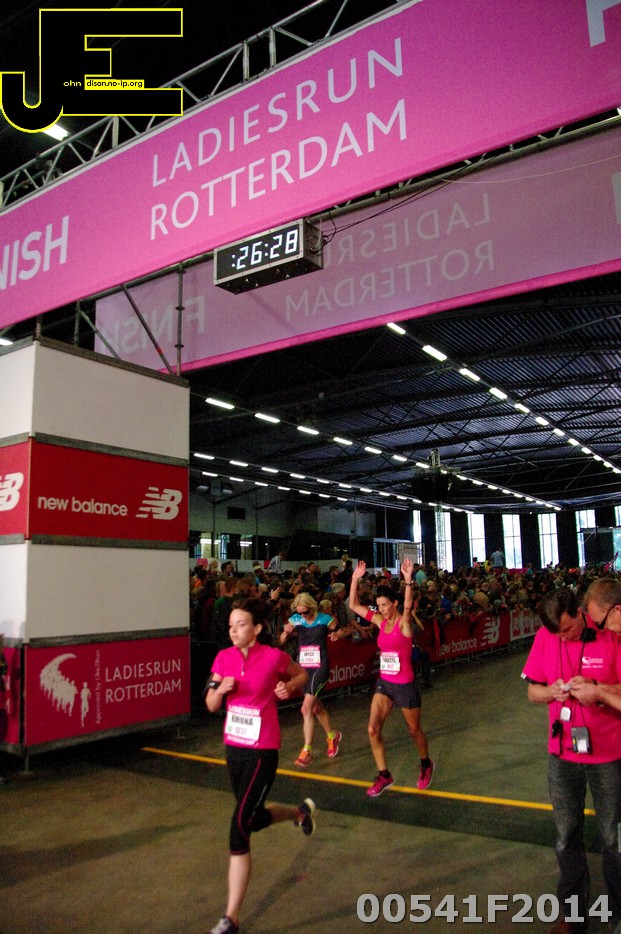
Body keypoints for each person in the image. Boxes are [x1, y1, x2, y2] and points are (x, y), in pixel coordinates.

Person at [205, 598, 315, 934]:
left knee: (239, 826)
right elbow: (210, 704)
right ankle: (299, 814)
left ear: (256, 629)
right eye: (230, 625)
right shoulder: (223, 658)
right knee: (251, 818)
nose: (233, 630)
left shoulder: (273, 657)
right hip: (234, 749)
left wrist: (288, 687)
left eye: (240, 625)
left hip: (263, 750)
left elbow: (301, 674)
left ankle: (231, 917)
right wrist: (220, 691)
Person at [522, 588, 621, 934]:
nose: (564, 637)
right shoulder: (546, 638)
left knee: (613, 836)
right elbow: (532, 689)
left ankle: (618, 912)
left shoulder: (610, 635)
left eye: (568, 629)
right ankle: (573, 913)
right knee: (566, 835)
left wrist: (597, 688)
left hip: (608, 753)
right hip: (562, 753)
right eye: (558, 633)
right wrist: (550, 693)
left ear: (580, 613)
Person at [348, 558, 435, 796]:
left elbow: (407, 606)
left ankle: (426, 763)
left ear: (394, 603)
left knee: (414, 730)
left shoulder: (404, 624)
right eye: (379, 605)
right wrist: (354, 580)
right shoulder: (379, 620)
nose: (381, 609)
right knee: (372, 729)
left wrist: (407, 580)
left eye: (385, 605)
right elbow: (353, 605)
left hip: (405, 684)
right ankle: (384, 774)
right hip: (385, 683)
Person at [279, 592, 342, 766]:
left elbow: (341, 630)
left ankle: (306, 751)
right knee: (315, 708)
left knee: (306, 708)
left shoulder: (325, 619)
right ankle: (332, 736)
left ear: (312, 607)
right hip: (303, 669)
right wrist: (285, 633)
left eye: (305, 612)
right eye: (299, 612)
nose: (302, 615)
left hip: (320, 667)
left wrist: (338, 634)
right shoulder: (295, 620)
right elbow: (281, 640)